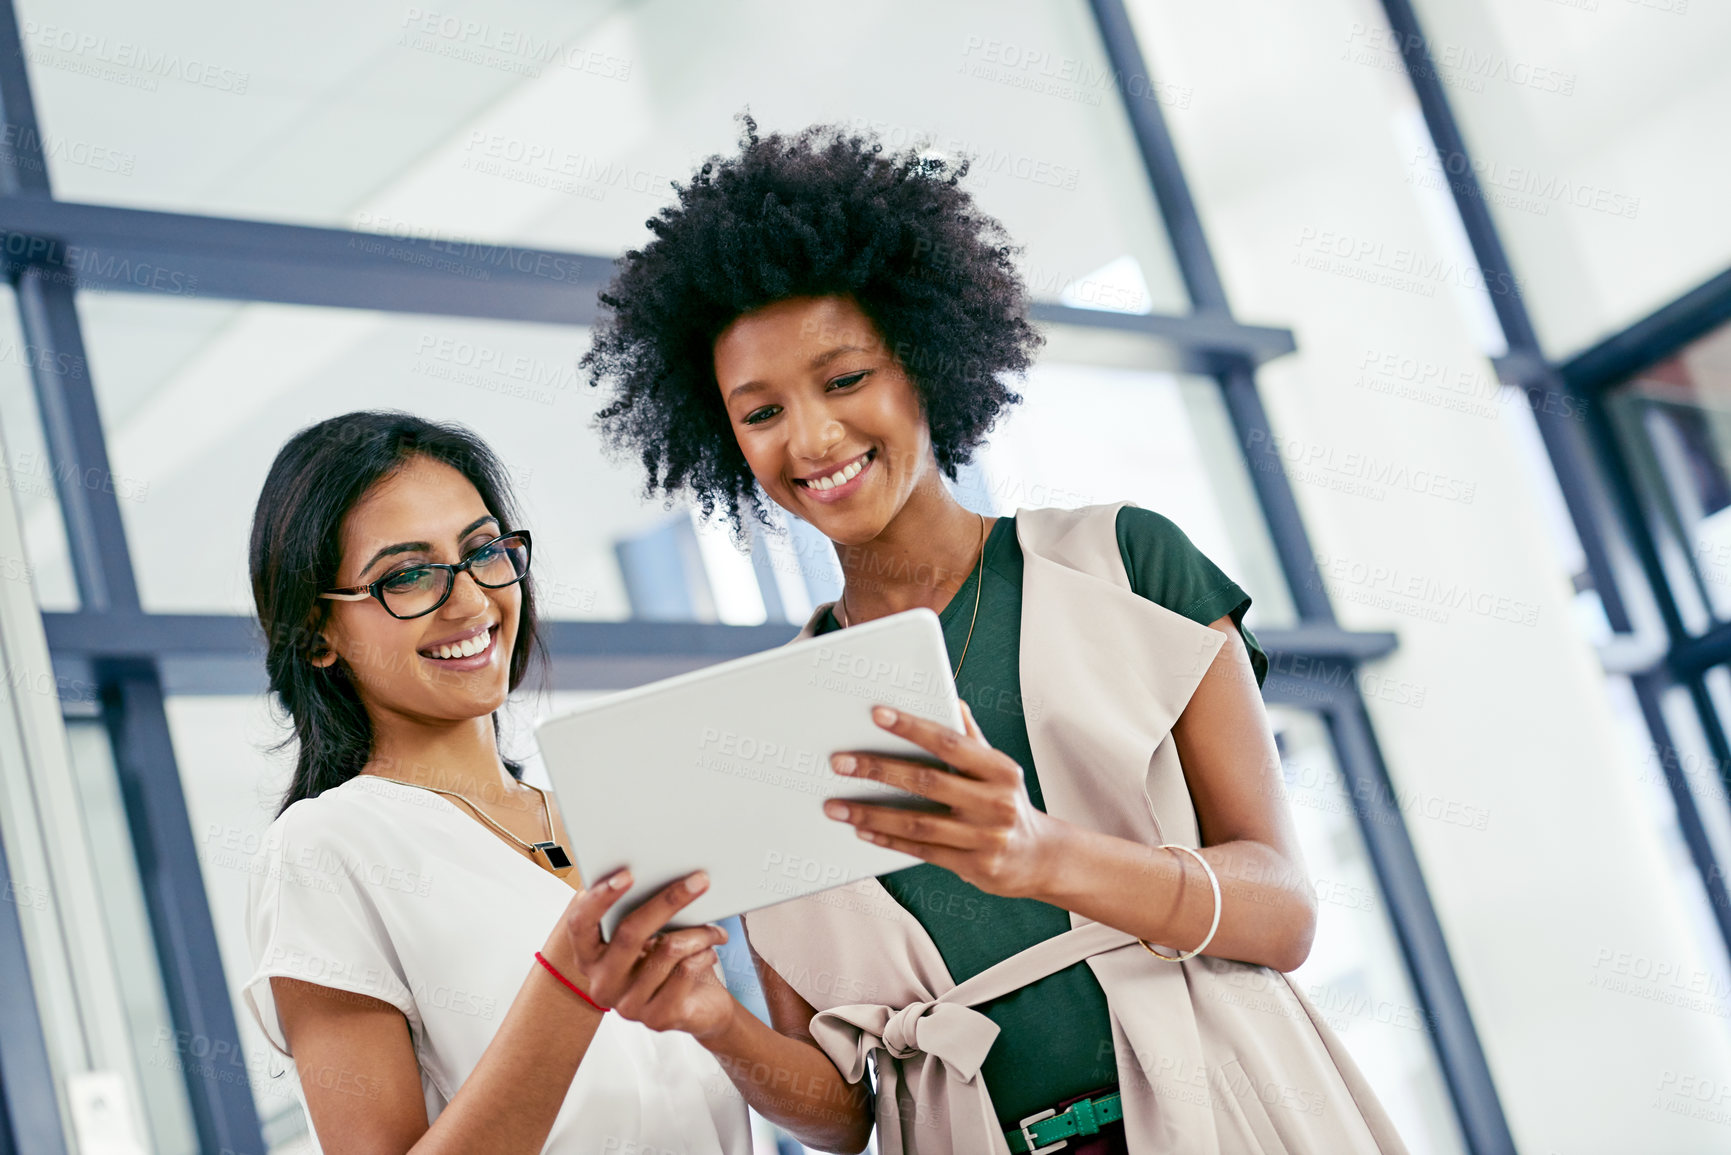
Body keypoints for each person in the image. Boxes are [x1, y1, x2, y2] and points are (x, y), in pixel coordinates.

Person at [583, 120, 1410, 1153]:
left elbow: (1283, 913)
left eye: (846, 380)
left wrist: (1043, 856)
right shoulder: (767, 726)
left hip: (1231, 1111)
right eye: (761, 413)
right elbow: (844, 1115)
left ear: (925, 360)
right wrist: (711, 1019)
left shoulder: (1122, 563)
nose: (813, 439)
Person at [240, 411, 873, 1153]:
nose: (472, 601)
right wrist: (568, 987)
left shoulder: (605, 813)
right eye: (407, 575)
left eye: (483, 551)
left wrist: (717, 1019)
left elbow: (844, 1123)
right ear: (316, 633)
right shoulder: (324, 849)